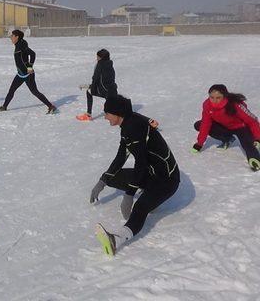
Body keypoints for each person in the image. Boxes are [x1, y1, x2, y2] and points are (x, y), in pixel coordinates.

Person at [90, 95, 179, 256]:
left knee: (140, 207)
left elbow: (141, 163)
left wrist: (129, 194)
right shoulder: (128, 124)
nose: (105, 117)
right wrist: (103, 180)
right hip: (151, 174)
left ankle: (116, 239)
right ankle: (150, 195)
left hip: (167, 180)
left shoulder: (134, 127)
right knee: (114, 177)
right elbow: (121, 156)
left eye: (107, 113)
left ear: (117, 113)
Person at [191, 84, 260, 171]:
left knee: (247, 144)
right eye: (212, 97)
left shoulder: (235, 104)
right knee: (199, 125)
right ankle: (227, 139)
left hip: (241, 128)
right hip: (225, 127)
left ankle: (255, 160)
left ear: (224, 96)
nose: (214, 100)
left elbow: (252, 120)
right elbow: (205, 124)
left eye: (218, 97)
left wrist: (258, 138)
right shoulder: (207, 105)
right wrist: (199, 144)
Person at [0, 30, 58, 114]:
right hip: (20, 74)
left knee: (35, 92)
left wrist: (30, 67)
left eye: (12, 36)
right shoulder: (18, 45)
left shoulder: (21, 46)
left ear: (17, 37)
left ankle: (51, 106)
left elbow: (33, 54)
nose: (11, 38)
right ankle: (4, 107)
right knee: (11, 90)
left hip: (28, 74)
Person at [76, 49, 117, 121]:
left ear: (101, 57)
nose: (96, 58)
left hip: (105, 90)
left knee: (88, 92)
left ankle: (88, 115)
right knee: (109, 99)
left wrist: (92, 89)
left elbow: (96, 78)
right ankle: (114, 112)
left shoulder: (100, 64)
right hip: (112, 89)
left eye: (98, 57)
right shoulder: (110, 64)